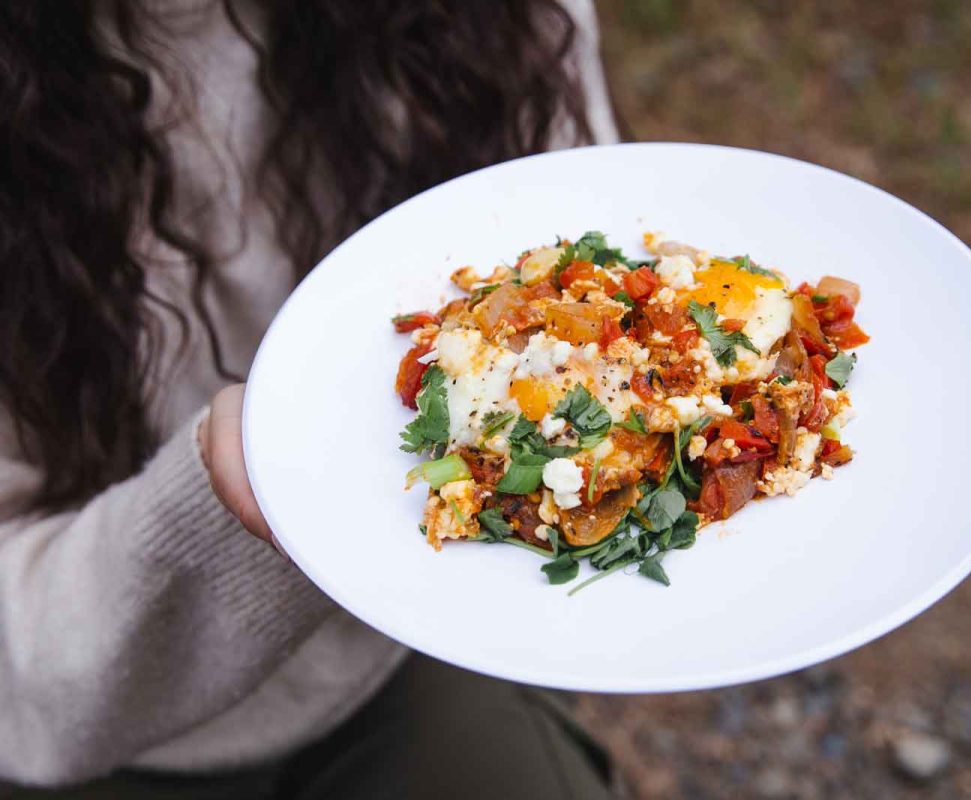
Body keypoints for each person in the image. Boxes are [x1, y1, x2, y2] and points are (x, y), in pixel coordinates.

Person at [0, 1, 618, 796]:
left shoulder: (492, 21)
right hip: (82, 722)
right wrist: (228, 510)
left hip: (396, 654)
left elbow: (583, 257)